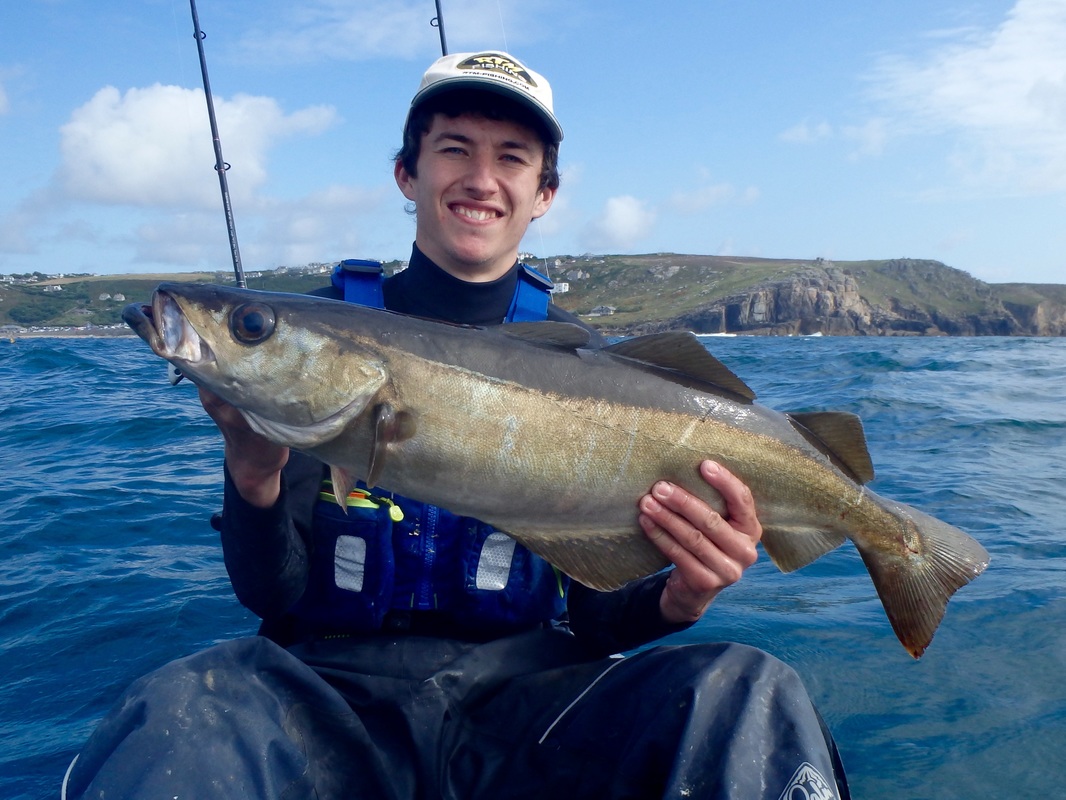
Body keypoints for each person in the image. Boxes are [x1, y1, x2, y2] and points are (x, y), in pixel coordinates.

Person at [63, 51, 849, 799]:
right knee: (173, 715)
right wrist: (253, 471)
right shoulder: (323, 345)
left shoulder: (600, 369)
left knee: (751, 696)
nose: (481, 179)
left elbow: (599, 614)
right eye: (453, 150)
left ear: (545, 191)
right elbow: (274, 589)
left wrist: (683, 593)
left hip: (532, 709)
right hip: (328, 703)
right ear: (408, 173)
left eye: (512, 156)